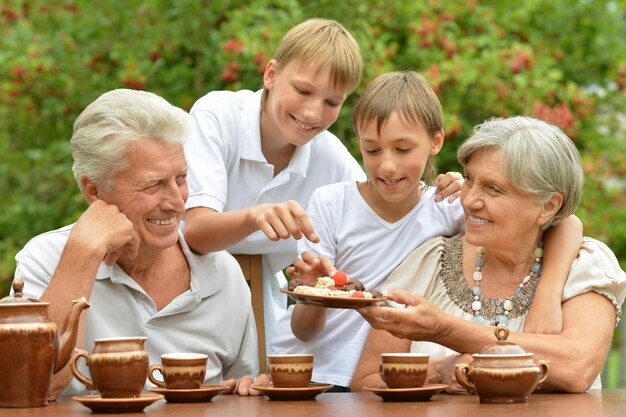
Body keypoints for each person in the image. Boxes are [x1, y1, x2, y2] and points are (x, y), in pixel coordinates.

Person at [271, 73, 582, 391]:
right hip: (308, 373)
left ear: (436, 142)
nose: (387, 165)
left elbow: (566, 222)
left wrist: (547, 293)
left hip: (373, 377)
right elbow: (304, 331)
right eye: (373, 150)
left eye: (403, 149)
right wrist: (312, 296)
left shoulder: (446, 207)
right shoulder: (331, 203)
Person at [181, 19, 463, 355]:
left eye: (332, 102)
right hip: (187, 290)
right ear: (270, 74)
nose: (314, 112)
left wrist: (458, 191)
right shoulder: (217, 116)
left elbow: (386, 194)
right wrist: (255, 216)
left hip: (266, 309)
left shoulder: (330, 158)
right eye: (302, 91)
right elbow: (195, 232)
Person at [353, 116, 626, 393]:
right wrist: (439, 373)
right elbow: (365, 383)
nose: (469, 200)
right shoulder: (431, 262)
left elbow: (576, 367)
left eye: (494, 189)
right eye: (470, 180)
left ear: (548, 206)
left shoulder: (583, 266)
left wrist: (443, 328)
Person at [13, 89, 258, 398]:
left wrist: (249, 389)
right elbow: (30, 388)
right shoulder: (45, 260)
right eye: (153, 184)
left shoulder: (222, 271)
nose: (176, 202)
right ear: (95, 190)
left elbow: (244, 391)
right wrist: (84, 253)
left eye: (181, 178)